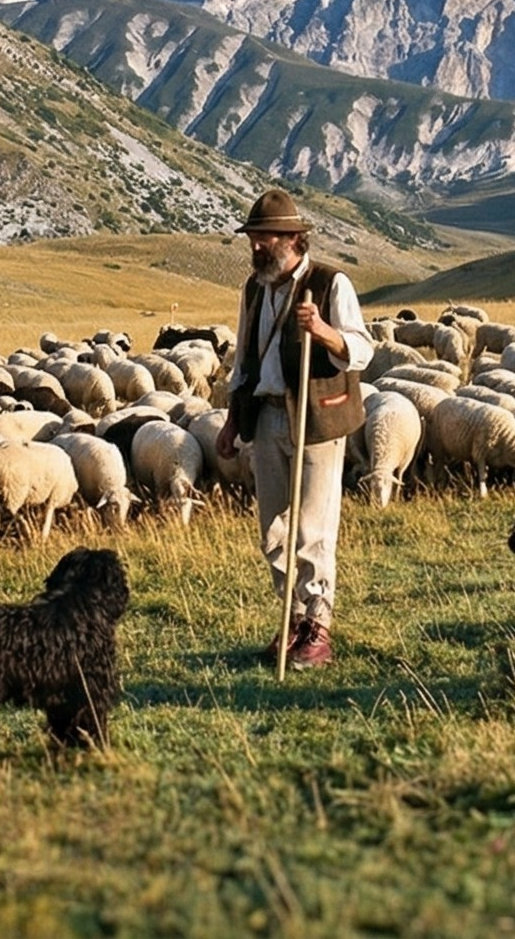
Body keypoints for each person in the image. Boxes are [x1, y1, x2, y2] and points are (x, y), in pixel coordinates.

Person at [210, 189, 371, 668]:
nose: (256, 248)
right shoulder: (254, 288)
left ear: (293, 239)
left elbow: (361, 350)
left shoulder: (330, 284)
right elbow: (245, 360)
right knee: (274, 528)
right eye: (253, 239)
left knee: (313, 529)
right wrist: (232, 419)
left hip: (316, 417)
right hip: (267, 415)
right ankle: (292, 619)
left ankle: (318, 624)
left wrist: (323, 331)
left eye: (265, 239)